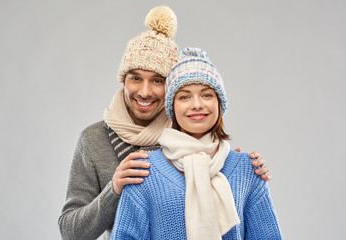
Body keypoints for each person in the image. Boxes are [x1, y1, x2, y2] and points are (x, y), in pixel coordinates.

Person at [59, 6, 271, 240]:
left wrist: (232, 164)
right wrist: (115, 188)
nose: (145, 91)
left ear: (170, 89)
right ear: (123, 80)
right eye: (135, 78)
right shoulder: (94, 139)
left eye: (158, 80)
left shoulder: (189, 128)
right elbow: (70, 232)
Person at [110, 47, 282, 240]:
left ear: (219, 103)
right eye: (184, 96)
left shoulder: (248, 169)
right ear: (172, 107)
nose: (197, 104)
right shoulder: (144, 171)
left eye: (207, 95)